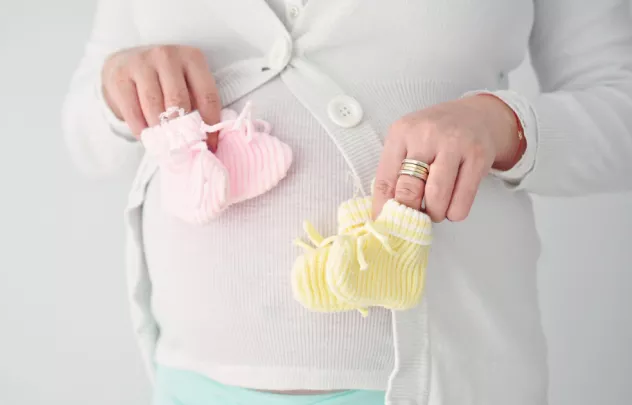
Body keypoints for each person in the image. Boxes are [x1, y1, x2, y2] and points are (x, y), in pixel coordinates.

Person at [62, 1, 632, 404]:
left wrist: (503, 124)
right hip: (189, 379)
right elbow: (84, 135)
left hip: (439, 381)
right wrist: (117, 88)